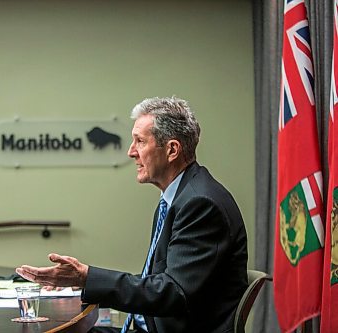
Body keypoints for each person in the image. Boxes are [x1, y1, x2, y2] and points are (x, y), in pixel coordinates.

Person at [16, 96, 248, 333]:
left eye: (139, 141)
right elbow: (161, 280)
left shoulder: (200, 203)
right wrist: (80, 283)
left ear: (172, 150)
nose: (130, 152)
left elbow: (172, 293)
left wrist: (87, 278)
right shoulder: (178, 197)